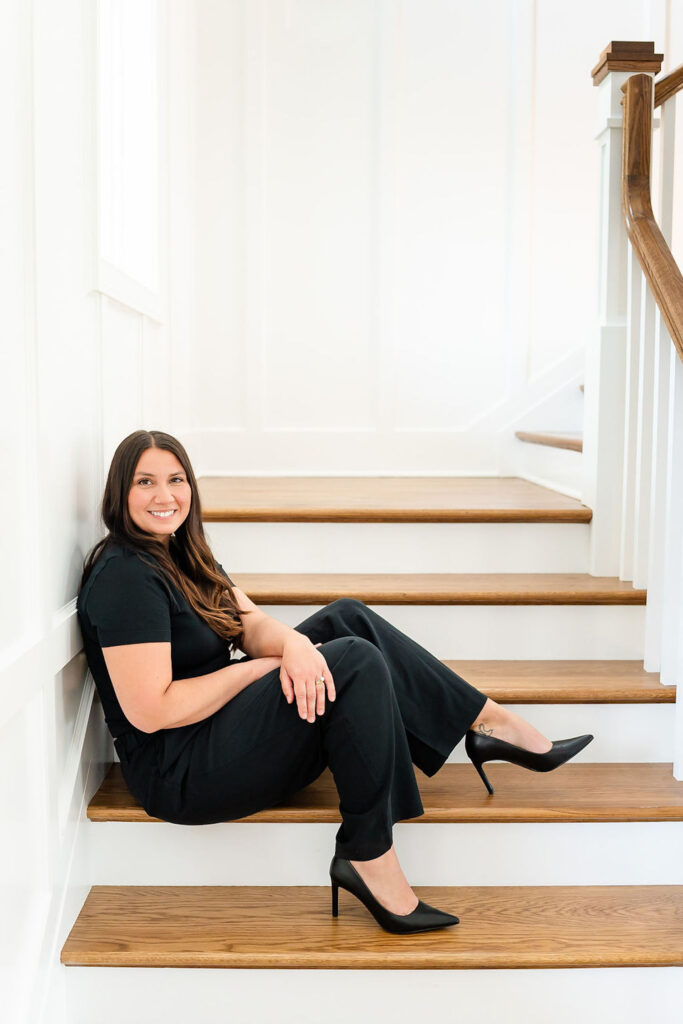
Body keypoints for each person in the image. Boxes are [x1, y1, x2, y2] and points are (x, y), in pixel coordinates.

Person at [77, 429, 593, 936]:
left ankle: (486, 721)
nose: (165, 496)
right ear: (119, 493)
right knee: (352, 661)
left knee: (347, 620)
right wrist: (262, 669)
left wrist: (296, 647)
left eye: (176, 479)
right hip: (180, 769)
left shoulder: (182, 552)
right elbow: (153, 710)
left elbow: (250, 625)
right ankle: (368, 854)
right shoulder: (126, 575)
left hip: (217, 730)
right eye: (145, 482)